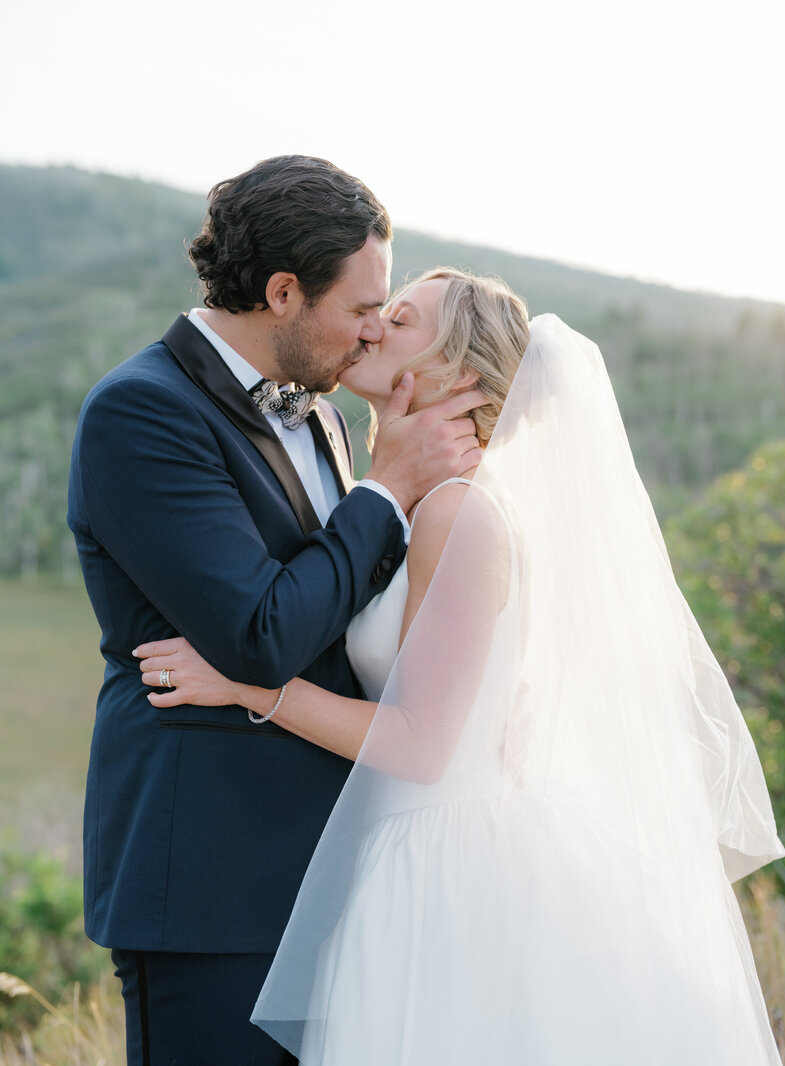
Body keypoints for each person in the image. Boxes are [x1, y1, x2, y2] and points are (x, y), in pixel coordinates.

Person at [137, 269, 785, 1064]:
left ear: (460, 373)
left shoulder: (457, 510)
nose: (372, 329)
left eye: (399, 321)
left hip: (455, 866)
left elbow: (420, 744)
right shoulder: (412, 501)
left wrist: (247, 683)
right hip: (414, 846)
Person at [67, 160, 488, 1066]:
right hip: (212, 884)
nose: (375, 330)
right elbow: (259, 633)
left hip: (342, 875)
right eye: (362, 307)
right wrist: (388, 488)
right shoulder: (142, 413)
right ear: (284, 292)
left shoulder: (327, 419)